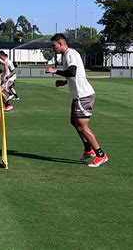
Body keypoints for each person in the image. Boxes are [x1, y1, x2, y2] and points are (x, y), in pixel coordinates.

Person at [45, 33, 108, 167]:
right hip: (78, 95)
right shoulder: (67, 55)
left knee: (83, 127)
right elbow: (75, 75)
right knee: (74, 121)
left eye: (54, 45)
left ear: (61, 43)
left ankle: (100, 155)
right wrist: (64, 82)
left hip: (83, 95)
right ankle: (88, 149)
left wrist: (54, 71)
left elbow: (72, 72)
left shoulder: (70, 54)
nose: (53, 48)